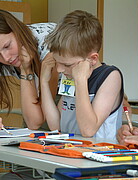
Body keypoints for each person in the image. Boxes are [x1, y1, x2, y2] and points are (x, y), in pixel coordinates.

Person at [0, 8, 58, 135]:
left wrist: (26, 70)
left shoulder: (47, 44)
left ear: (17, 31)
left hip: (76, 95)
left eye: (7, 46)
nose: (6, 58)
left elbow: (35, 121)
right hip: (41, 99)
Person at [41, 10, 124, 140]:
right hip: (72, 151)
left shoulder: (110, 76)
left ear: (92, 59)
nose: (59, 70)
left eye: (67, 65)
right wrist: (44, 82)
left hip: (99, 154)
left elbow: (88, 130)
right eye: (57, 63)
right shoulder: (70, 75)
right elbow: (55, 126)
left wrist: (80, 81)